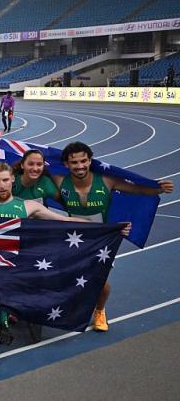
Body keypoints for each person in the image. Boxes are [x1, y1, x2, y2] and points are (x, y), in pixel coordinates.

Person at [51, 142, 173, 331]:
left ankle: (99, 310)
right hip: (73, 238)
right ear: (66, 164)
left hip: (102, 240)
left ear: (90, 161)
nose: (80, 166)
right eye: (74, 162)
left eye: (84, 161)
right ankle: (73, 305)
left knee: (100, 280)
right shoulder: (59, 180)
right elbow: (32, 169)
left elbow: (138, 190)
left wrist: (158, 189)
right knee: (68, 275)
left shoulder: (106, 181)